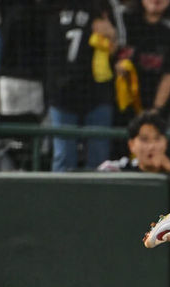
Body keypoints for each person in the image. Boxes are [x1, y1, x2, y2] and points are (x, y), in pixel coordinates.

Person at [45, 1, 125, 171]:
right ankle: (60, 197)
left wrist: (111, 35)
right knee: (64, 157)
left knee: (99, 159)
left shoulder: (107, 5)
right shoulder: (50, 6)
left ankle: (99, 198)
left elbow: (121, 46)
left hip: (98, 93)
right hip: (61, 94)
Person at [98, 110, 170, 173]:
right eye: (144, 140)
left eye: (157, 139)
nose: (151, 146)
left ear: (165, 143)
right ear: (131, 145)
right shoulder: (117, 168)